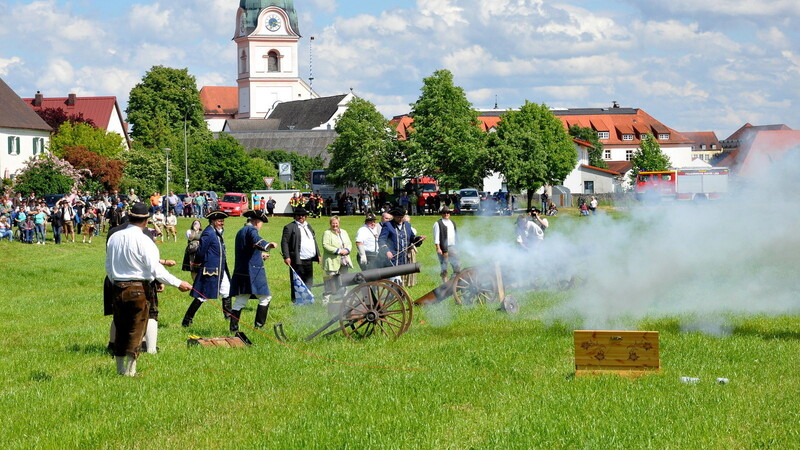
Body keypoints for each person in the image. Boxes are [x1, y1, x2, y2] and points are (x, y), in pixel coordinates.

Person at [105, 202, 191, 376]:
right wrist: (178, 283)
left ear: (129, 218)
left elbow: (108, 265)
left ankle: (120, 369)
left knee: (120, 327)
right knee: (136, 328)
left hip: (116, 286)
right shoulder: (144, 239)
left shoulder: (114, 237)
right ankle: (131, 370)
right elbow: (156, 269)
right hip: (138, 288)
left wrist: (116, 280)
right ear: (146, 221)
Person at [229, 210, 278, 332]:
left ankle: (233, 328)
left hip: (241, 270)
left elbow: (246, 250)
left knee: (240, 301)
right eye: (261, 222)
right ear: (256, 222)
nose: (261, 225)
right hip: (252, 272)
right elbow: (257, 240)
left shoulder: (240, 231)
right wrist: (268, 245)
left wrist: (260, 256)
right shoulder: (252, 230)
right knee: (266, 297)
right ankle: (259, 326)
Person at [183, 210, 232, 327]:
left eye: (223, 221)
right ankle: (187, 319)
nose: (222, 223)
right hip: (210, 270)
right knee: (202, 296)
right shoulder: (208, 233)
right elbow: (200, 252)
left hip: (221, 268)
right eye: (220, 221)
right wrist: (201, 264)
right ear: (213, 221)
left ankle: (229, 317)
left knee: (227, 291)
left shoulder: (217, 232)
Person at [280, 207, 320, 304]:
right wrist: (286, 256)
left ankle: (308, 300)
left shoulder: (308, 226)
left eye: (303, 215)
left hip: (309, 258)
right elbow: (284, 242)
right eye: (299, 215)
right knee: (297, 282)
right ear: (295, 216)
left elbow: (313, 240)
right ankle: (296, 301)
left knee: (309, 280)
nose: (301, 217)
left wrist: (318, 254)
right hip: (298, 259)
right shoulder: (289, 227)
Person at [379, 207, 425, 275]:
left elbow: (412, 239)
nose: (400, 219)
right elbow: (381, 240)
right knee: (394, 278)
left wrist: (419, 239)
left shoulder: (407, 225)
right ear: (394, 217)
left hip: (404, 257)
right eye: (398, 217)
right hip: (392, 257)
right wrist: (387, 251)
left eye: (402, 217)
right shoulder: (388, 225)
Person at [321, 216, 352, 304]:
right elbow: (325, 245)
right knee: (331, 282)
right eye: (333, 223)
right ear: (330, 224)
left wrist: (347, 250)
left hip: (344, 260)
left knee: (344, 280)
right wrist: (338, 251)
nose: (335, 225)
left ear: (339, 223)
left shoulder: (344, 232)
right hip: (332, 260)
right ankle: (325, 302)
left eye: (336, 223)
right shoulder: (327, 233)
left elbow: (349, 243)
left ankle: (345, 299)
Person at [433, 206, 461, 283]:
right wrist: (438, 248)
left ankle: (453, 281)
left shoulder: (452, 223)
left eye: (448, 213)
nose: (446, 214)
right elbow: (436, 236)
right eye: (444, 213)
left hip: (452, 247)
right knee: (444, 267)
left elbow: (456, 235)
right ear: (441, 214)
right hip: (443, 248)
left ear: (450, 214)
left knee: (457, 265)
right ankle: (445, 283)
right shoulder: (438, 223)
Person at [402, 215, 418, 287]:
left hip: (410, 250)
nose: (406, 223)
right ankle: (402, 282)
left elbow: (413, 240)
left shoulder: (412, 230)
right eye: (405, 221)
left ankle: (410, 282)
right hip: (402, 250)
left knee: (411, 265)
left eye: (408, 221)